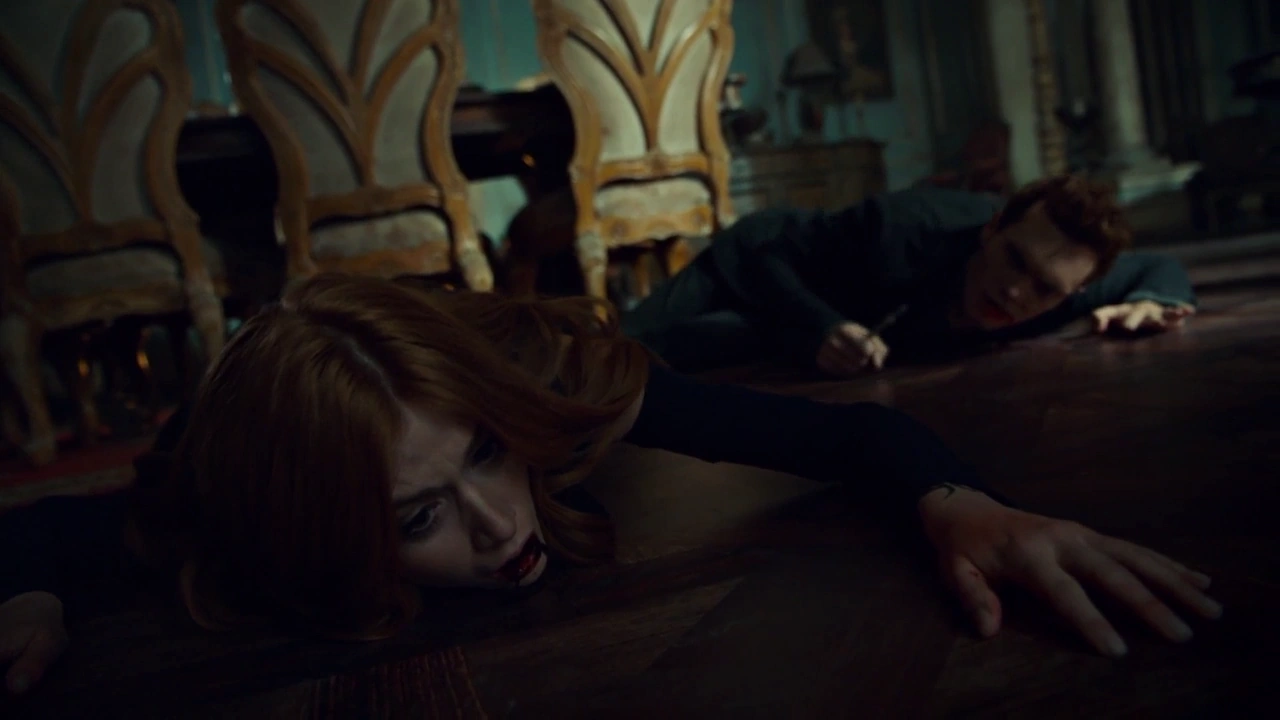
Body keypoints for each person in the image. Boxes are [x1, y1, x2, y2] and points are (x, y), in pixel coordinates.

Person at [0, 274, 1220, 697]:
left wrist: (963, 503)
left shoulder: (549, 389)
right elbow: (39, 532)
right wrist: (34, 595)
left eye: (487, 457)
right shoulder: (229, 514)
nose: (498, 527)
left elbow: (840, 437)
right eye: (418, 517)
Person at [623, 175, 1197, 376]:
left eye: (1045, 288)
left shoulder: (1069, 287)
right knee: (619, 352)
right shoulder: (898, 229)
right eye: (1015, 260)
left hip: (800, 334)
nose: (1015, 291)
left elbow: (1159, 266)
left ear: (1077, 291)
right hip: (756, 267)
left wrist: (1149, 300)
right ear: (992, 230)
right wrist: (823, 325)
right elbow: (761, 253)